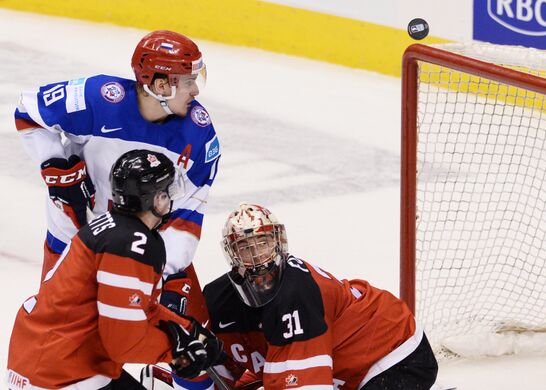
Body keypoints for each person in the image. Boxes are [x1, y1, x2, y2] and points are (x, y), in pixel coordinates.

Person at [14, 29, 220, 327]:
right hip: (73, 242)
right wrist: (55, 165)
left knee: (192, 342)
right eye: (188, 82)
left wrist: (164, 273)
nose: (196, 91)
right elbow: (28, 111)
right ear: (162, 85)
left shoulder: (197, 134)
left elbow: (189, 210)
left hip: (145, 251)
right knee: (63, 338)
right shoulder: (97, 101)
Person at [7, 150, 223, 390]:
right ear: (154, 199)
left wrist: (187, 329)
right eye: (166, 192)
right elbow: (123, 343)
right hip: (59, 376)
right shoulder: (131, 245)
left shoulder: (117, 229)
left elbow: (140, 308)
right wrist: (175, 352)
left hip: (53, 358)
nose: (170, 200)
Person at [201, 203, 439, 390]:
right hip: (348, 361)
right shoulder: (220, 297)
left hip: (395, 355)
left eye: (262, 243)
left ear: (278, 242)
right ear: (232, 254)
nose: (256, 256)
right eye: (245, 247)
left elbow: (305, 384)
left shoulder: (297, 295)